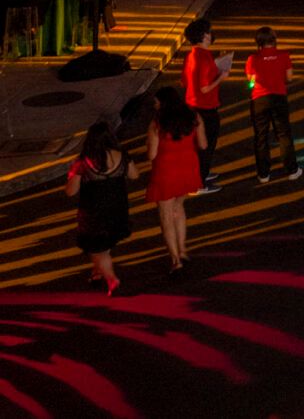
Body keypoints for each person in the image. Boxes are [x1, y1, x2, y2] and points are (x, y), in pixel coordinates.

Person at [65, 116, 131, 296]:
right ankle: (97, 272)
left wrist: (71, 174)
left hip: (93, 212)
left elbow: (71, 191)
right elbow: (134, 174)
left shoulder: (83, 163)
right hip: (117, 207)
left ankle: (111, 279)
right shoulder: (121, 155)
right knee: (104, 245)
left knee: (96, 249)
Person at [146, 88, 205, 273]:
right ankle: (183, 249)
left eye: (156, 102)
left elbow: (151, 154)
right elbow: (203, 144)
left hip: (166, 172)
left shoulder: (157, 123)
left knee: (165, 216)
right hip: (188, 169)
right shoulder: (194, 117)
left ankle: (175, 259)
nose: (154, 105)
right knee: (178, 208)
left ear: (163, 103)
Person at [246, 26, 301, 183]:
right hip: (278, 98)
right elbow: (289, 77)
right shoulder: (283, 55)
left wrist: (254, 82)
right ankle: (292, 170)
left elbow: (251, 80)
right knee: (283, 134)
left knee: (261, 137)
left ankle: (263, 174)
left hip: (259, 99)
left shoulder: (252, 59)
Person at [181, 20, 229, 193]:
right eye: (209, 32)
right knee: (206, 145)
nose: (211, 34)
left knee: (196, 145)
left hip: (192, 105)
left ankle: (201, 173)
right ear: (203, 35)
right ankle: (199, 182)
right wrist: (221, 77)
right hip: (206, 107)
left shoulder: (191, 55)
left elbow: (185, 81)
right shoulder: (205, 57)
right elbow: (205, 87)